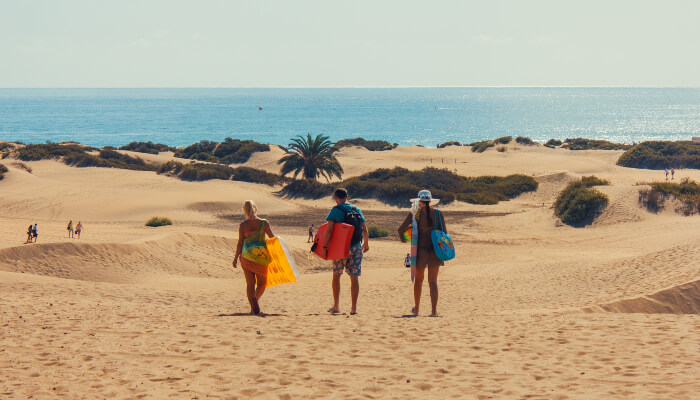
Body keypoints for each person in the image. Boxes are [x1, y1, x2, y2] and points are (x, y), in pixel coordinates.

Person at [398, 190, 447, 317]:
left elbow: (400, 229)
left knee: (419, 281)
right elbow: (444, 233)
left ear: (419, 201)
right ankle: (434, 311)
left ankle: (417, 309)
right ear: (430, 201)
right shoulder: (438, 214)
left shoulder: (416, 214)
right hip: (435, 252)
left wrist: (405, 239)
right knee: (433, 282)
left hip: (420, 252)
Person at [322, 187, 369, 315]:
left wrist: (325, 247)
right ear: (347, 197)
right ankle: (354, 308)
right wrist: (366, 243)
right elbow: (364, 229)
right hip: (356, 247)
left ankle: (336, 306)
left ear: (336, 198)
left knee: (337, 275)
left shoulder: (335, 210)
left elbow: (329, 230)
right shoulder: (356, 209)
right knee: (354, 277)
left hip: (341, 249)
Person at [232, 200, 275, 315]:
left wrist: (236, 258)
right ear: (255, 208)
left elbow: (240, 243)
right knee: (262, 283)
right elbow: (272, 238)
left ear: (245, 211)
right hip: (261, 258)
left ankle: (252, 308)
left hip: (246, 258)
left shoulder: (243, 225)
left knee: (250, 284)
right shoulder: (264, 223)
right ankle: (255, 299)